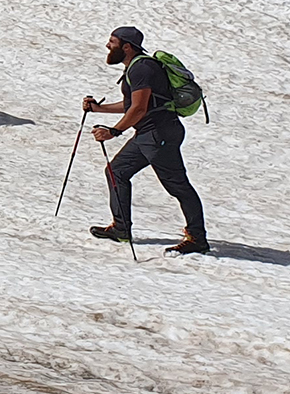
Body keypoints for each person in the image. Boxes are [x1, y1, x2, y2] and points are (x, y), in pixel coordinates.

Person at [82, 26, 209, 254]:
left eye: (112, 41)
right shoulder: (138, 67)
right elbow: (135, 105)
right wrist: (99, 109)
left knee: (177, 185)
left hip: (158, 134)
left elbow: (139, 108)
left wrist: (114, 131)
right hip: (152, 134)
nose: (107, 45)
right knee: (116, 171)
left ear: (127, 47)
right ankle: (121, 229)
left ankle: (197, 239)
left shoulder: (141, 69)